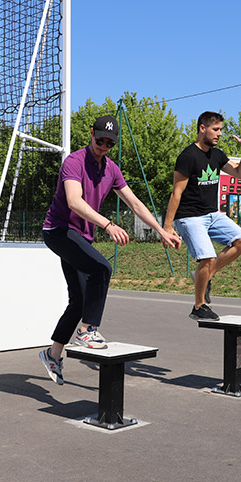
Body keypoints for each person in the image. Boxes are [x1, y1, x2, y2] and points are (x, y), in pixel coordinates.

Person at [39, 115, 181, 385]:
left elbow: (135, 204)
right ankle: (88, 330)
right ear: (91, 134)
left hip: (79, 236)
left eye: (109, 143)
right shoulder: (74, 161)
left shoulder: (111, 170)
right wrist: (107, 225)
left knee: (79, 301)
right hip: (58, 231)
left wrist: (162, 230)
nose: (103, 146)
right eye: (99, 140)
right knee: (102, 268)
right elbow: (73, 201)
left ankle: (53, 354)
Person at [163, 111, 241, 321]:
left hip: (212, 215)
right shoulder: (187, 156)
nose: (219, 134)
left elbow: (240, 173)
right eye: (216, 129)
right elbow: (176, 192)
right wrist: (167, 226)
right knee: (207, 256)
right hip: (189, 217)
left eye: (221, 129)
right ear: (202, 128)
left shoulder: (217, 155)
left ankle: (206, 276)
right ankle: (198, 306)